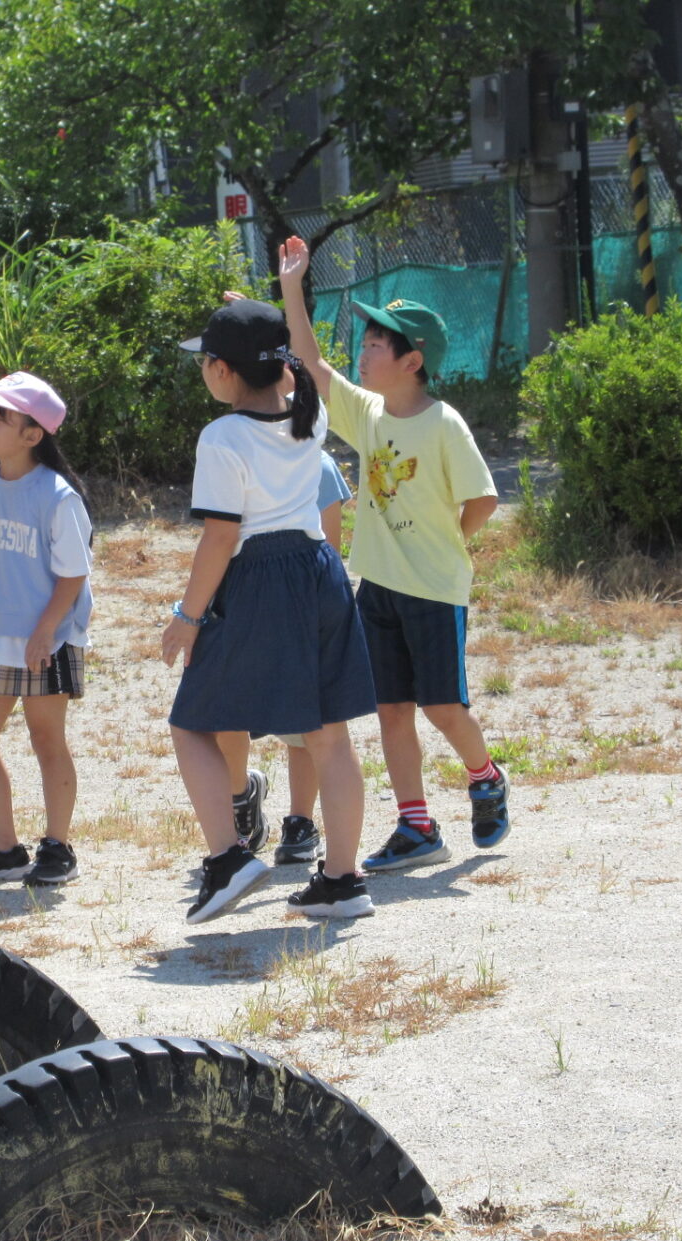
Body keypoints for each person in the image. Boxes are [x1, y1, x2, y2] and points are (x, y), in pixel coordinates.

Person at [273, 235, 507, 872]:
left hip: (433, 587)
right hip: (377, 586)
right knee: (391, 709)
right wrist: (293, 286)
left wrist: (446, 543)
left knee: (442, 707)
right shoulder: (368, 412)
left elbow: (482, 499)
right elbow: (312, 368)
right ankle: (417, 826)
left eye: (378, 343)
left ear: (413, 360)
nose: (365, 350)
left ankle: (485, 775)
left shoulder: (443, 423)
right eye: (368, 339)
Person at [163, 298, 376, 923]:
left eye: (205, 360)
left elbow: (221, 538)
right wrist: (272, 311)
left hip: (260, 580)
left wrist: (189, 615)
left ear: (224, 371)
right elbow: (299, 366)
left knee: (192, 724)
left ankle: (228, 859)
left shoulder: (222, 436)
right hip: (320, 572)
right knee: (330, 737)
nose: (203, 369)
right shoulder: (309, 414)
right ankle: (341, 880)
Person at [0, 373, 92, 888]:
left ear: (34, 436)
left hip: (45, 640)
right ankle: (4, 848)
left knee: (46, 738)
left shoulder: (56, 496)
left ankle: (58, 847)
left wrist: (45, 631)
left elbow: (74, 573)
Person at [220, 448, 354, 867]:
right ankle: (242, 795)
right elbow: (219, 537)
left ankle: (300, 822)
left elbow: (329, 546)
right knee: (226, 713)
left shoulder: (319, 464)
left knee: (306, 724)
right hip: (243, 602)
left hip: (301, 607)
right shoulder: (234, 454)